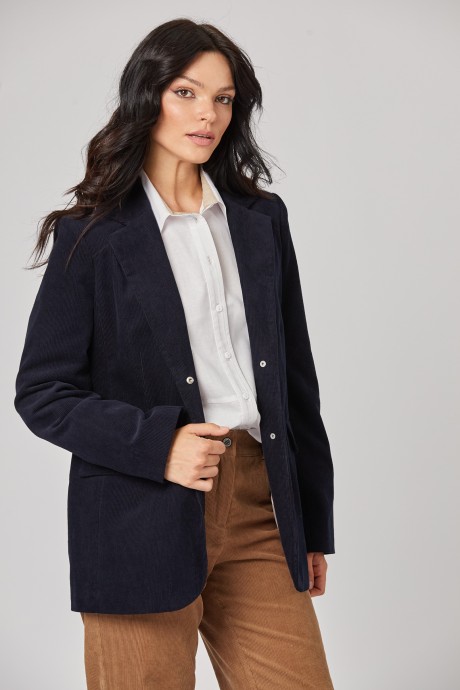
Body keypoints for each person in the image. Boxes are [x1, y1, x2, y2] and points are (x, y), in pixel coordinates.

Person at [14, 17, 335, 690]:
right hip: (138, 509)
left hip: (259, 504)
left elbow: (294, 379)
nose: (207, 114)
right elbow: (43, 392)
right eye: (186, 92)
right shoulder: (91, 236)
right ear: (148, 94)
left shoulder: (261, 221)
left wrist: (311, 521)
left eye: (223, 99)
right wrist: (159, 444)